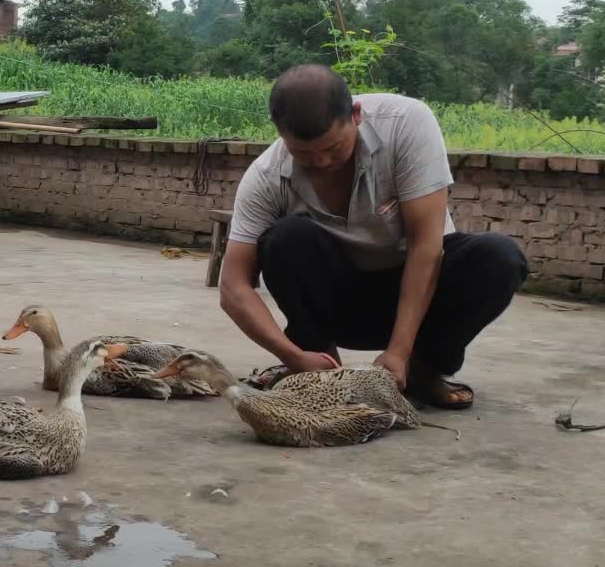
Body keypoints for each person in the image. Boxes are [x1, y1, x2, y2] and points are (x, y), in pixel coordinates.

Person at [216, 64, 528, 409]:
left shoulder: (407, 124)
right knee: (285, 238)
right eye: (304, 154)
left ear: (356, 114)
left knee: (500, 257)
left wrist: (398, 351)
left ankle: (421, 369)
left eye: (333, 148)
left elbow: (427, 248)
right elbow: (233, 287)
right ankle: (320, 370)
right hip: (340, 300)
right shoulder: (265, 176)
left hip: (418, 294)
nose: (320, 161)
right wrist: (291, 354)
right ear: (279, 131)